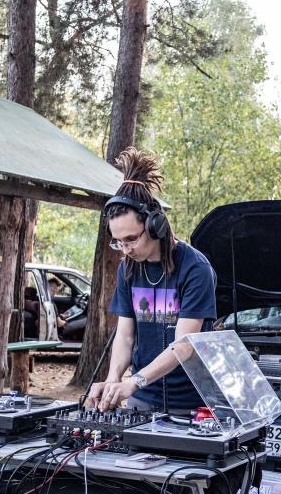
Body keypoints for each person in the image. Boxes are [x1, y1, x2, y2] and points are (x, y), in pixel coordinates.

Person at [86, 148, 217, 415]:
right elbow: (125, 336)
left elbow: (184, 345)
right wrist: (113, 380)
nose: (125, 250)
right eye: (118, 242)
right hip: (142, 400)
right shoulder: (128, 269)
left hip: (191, 404)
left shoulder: (195, 268)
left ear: (155, 225)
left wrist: (133, 382)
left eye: (131, 239)